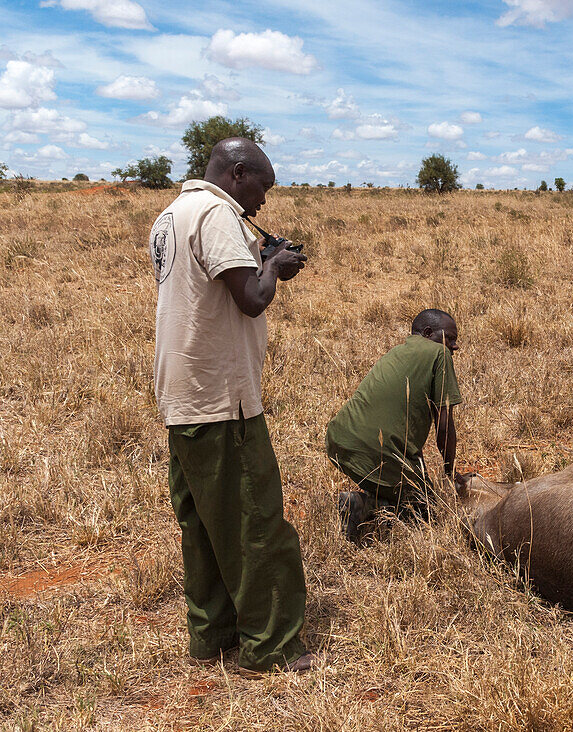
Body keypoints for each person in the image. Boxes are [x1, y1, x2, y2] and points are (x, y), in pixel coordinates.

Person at [149, 137, 313, 673]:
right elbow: (251, 299)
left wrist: (261, 260)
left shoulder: (171, 215)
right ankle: (271, 646)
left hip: (181, 394)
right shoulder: (219, 214)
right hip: (223, 398)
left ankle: (213, 635)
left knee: (201, 524)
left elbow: (213, 289)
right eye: (262, 185)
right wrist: (277, 267)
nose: (264, 200)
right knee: (255, 521)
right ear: (238, 173)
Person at [327, 309, 463, 540]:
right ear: (428, 333)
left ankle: (369, 500)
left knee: (407, 494)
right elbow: (444, 426)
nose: (454, 346)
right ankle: (363, 505)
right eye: (449, 338)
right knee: (427, 513)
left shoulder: (399, 352)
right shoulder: (439, 354)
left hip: (340, 440)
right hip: (377, 451)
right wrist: (449, 474)